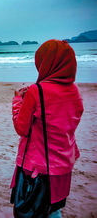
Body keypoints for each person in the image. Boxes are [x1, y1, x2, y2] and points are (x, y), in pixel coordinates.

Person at [10, 39, 84, 217]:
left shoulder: (37, 91)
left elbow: (22, 128)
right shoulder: (74, 90)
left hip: (37, 166)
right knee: (53, 208)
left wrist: (18, 101)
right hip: (64, 163)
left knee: (31, 211)